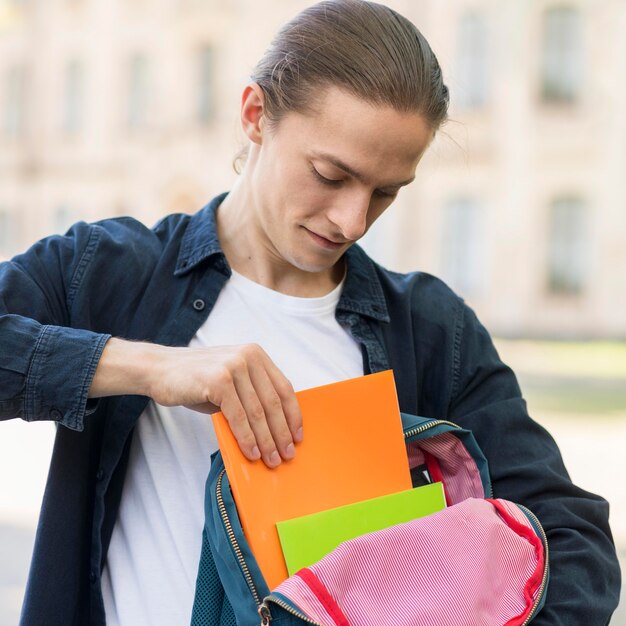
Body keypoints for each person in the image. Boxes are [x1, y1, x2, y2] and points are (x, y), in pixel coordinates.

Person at [0, 0, 621, 624]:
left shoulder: (434, 330)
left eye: (385, 192)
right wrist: (146, 368)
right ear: (254, 115)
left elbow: (578, 549)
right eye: (330, 174)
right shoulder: (105, 270)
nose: (353, 220)